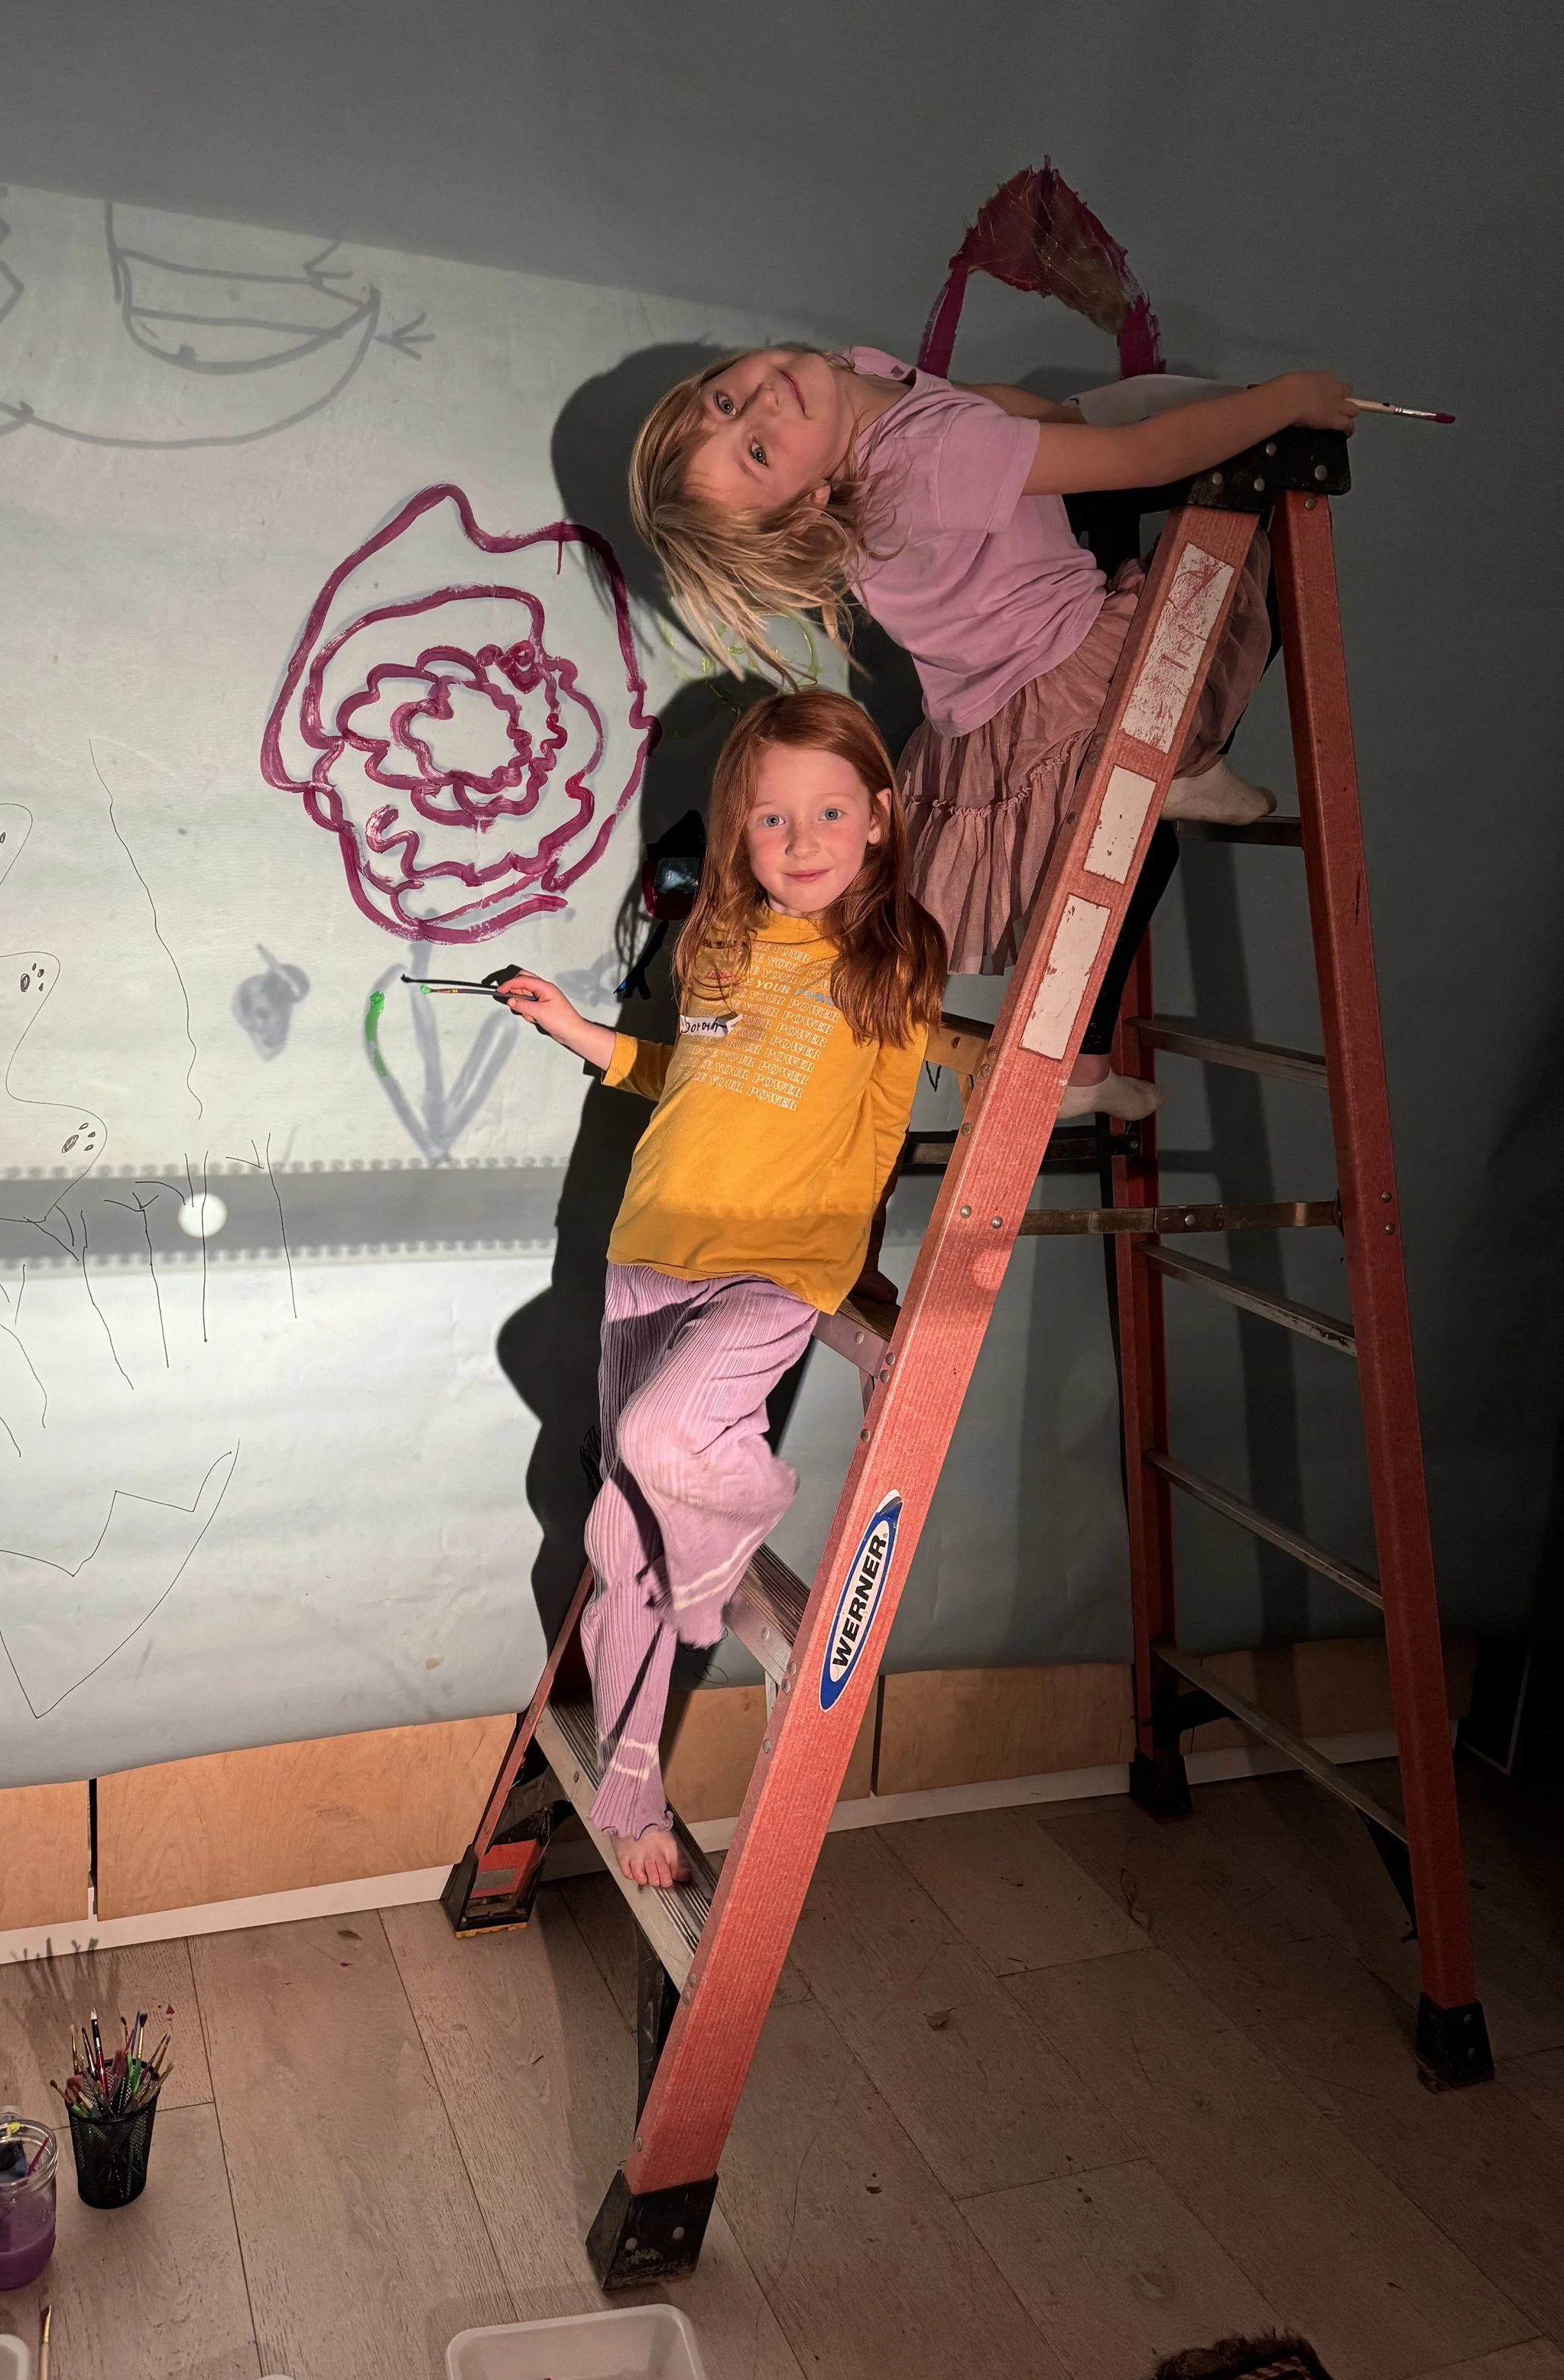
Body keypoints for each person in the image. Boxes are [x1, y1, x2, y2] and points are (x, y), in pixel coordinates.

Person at [498, 690, 981, 1887]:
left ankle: (732, 1520)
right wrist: (582, 1035)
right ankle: (632, 1790)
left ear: (877, 818)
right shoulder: (717, 940)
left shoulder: (893, 957)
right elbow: (692, 1082)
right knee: (624, 1543)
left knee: (668, 1447)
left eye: (827, 811)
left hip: (776, 1272)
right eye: (772, 818)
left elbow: (887, 1124)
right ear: (739, 832)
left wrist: (850, 1287)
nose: (802, 839)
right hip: (648, 1250)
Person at [629, 349, 1359, 1117]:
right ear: (812, 496)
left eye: (722, 402)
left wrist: (1066, 420)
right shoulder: (926, 459)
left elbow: (993, 400)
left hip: (995, 697)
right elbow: (1145, 457)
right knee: (1245, 577)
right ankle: (1186, 760)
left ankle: (1083, 1060)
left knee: (1134, 848)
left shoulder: (857, 381)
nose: (760, 406)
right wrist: (1286, 400)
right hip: (1066, 674)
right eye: (755, 451)